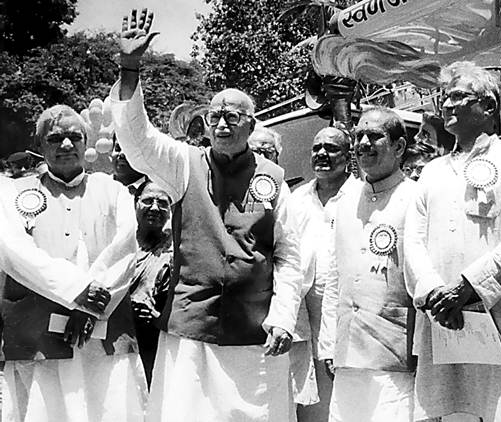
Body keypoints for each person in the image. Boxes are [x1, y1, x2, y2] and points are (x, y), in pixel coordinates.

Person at [111, 9, 302, 422]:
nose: (220, 123)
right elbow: (136, 140)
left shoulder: (274, 178)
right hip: (191, 327)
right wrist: (129, 68)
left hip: (255, 331)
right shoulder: (184, 163)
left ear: (251, 124)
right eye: (214, 115)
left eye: (231, 116)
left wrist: (284, 317)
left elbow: (287, 256)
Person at [404, 61, 501, 421]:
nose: (448, 105)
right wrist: (434, 292)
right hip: (443, 325)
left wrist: (469, 287)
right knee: (450, 411)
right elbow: (412, 242)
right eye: (444, 98)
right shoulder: (431, 172)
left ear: (488, 106)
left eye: (458, 96)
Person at [0, 104, 146, 422]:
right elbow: (14, 253)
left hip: (103, 333)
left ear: (85, 141)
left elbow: (124, 251)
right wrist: (77, 290)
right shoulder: (14, 194)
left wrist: (89, 307)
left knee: (108, 410)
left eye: (74, 136)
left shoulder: (114, 190)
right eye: (55, 138)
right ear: (39, 146)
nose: (66, 144)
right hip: (37, 335)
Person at [319, 108, 417, 422]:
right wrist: (328, 345)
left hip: (396, 350)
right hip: (348, 350)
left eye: (374, 136)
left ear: (399, 147)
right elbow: (335, 277)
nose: (363, 143)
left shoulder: (416, 198)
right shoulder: (344, 202)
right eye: (359, 136)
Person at [289, 127, 360, 421]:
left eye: (331, 149)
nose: (322, 154)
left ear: (348, 156)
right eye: (316, 148)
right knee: (310, 400)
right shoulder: (297, 199)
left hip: (348, 314)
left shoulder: (361, 194)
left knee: (347, 399)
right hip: (304, 313)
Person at [129, 181, 173, 387]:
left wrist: (156, 317)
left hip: (155, 342)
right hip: (120, 336)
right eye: (148, 201)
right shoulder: (120, 243)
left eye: (163, 203)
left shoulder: (176, 248)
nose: (155, 208)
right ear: (135, 203)